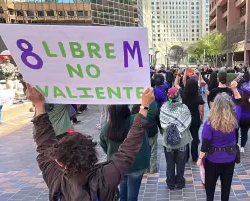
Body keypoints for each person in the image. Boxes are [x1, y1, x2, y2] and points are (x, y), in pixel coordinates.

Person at [26, 83, 155, 201]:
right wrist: (144, 107)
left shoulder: (54, 177)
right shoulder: (105, 177)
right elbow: (129, 149)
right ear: (93, 154)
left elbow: (44, 144)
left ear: (59, 161)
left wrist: (38, 105)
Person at [100, 102, 158, 201]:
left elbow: (104, 147)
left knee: (122, 189)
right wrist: (148, 99)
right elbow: (152, 111)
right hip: (137, 164)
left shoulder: (106, 128)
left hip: (118, 166)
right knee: (133, 194)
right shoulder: (136, 120)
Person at [197, 82, 242, 201]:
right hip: (230, 158)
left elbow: (205, 144)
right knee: (226, 189)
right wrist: (234, 89)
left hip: (213, 159)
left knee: (210, 189)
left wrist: (200, 158)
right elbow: (239, 101)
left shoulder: (210, 122)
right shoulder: (235, 117)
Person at [160, 88, 192, 190]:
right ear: (178, 96)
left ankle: (170, 183)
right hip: (182, 141)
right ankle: (180, 182)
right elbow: (187, 123)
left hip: (168, 141)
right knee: (181, 163)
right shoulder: (184, 108)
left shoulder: (164, 107)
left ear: (168, 96)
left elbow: (162, 124)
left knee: (169, 163)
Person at [174, 75, 205, 162]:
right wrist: (201, 119)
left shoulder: (182, 94)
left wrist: (178, 75)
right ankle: (194, 156)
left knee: (186, 138)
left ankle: (186, 156)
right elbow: (201, 110)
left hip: (184, 120)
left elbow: (176, 84)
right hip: (195, 119)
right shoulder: (198, 96)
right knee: (195, 137)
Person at [235, 73, 250, 153]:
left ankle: (236, 144)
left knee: (236, 131)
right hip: (249, 117)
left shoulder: (239, 95)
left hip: (239, 117)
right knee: (244, 132)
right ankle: (242, 146)